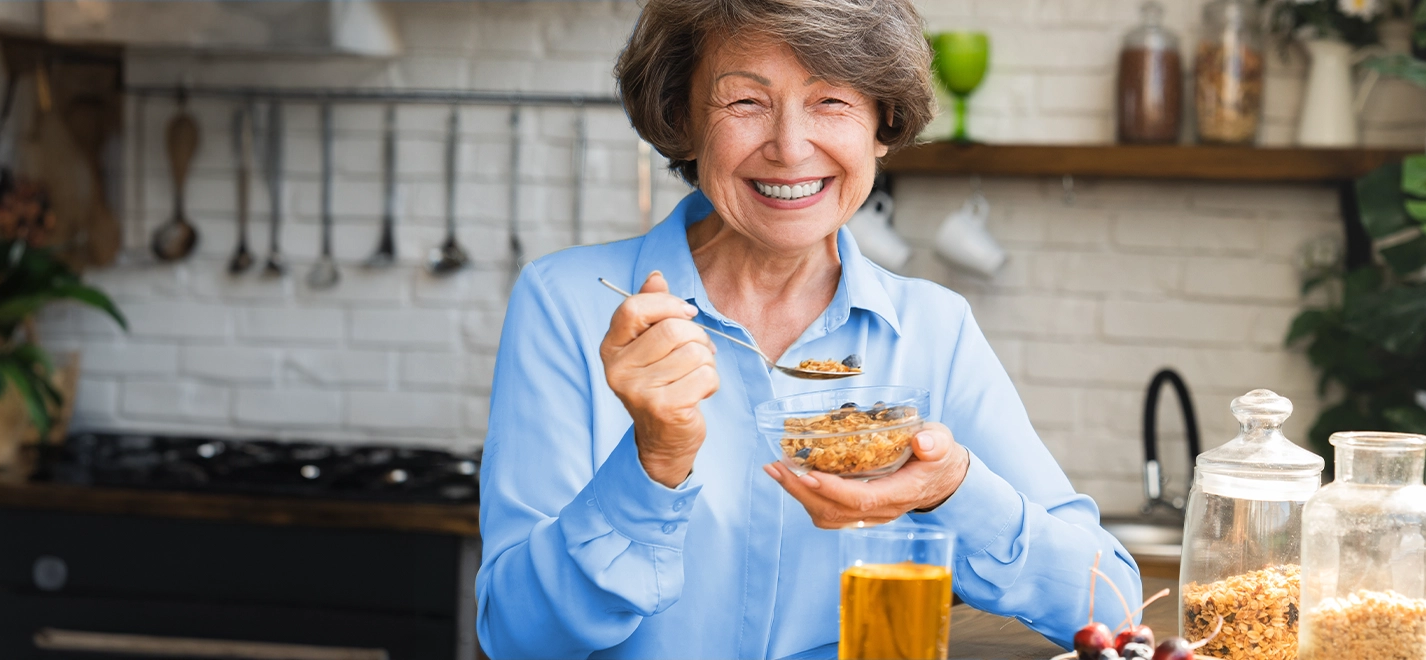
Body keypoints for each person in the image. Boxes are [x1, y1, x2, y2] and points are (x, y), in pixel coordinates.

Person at [475, 1, 1141, 657]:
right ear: (682, 120)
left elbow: (1110, 604)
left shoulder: (933, 328)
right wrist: (653, 464)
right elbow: (515, 638)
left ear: (882, 123)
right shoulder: (566, 304)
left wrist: (953, 487)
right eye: (745, 103)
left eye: (831, 102)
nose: (790, 148)